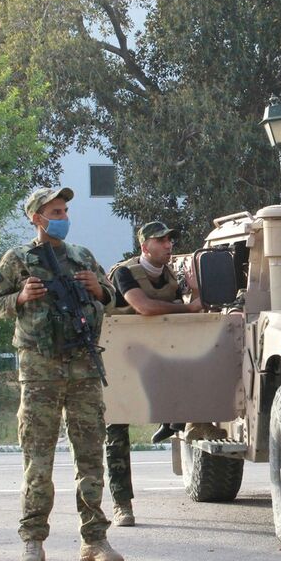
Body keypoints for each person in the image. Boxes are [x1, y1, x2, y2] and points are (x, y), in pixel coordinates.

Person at [0, 186, 124, 561]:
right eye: (54, 211)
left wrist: (102, 291)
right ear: (36, 217)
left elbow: (111, 298)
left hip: (83, 369)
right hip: (40, 372)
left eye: (64, 210)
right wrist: (19, 299)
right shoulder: (18, 260)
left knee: (91, 458)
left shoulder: (81, 256)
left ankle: (94, 540)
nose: (62, 216)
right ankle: (32, 540)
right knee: (38, 461)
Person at [104, 220, 205, 525]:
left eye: (170, 240)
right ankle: (122, 503)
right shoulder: (125, 272)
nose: (168, 245)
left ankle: (175, 421)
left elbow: (198, 303)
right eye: (161, 241)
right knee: (116, 432)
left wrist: (195, 286)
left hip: (161, 358)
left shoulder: (174, 273)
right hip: (122, 358)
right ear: (145, 246)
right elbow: (143, 306)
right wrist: (187, 309)